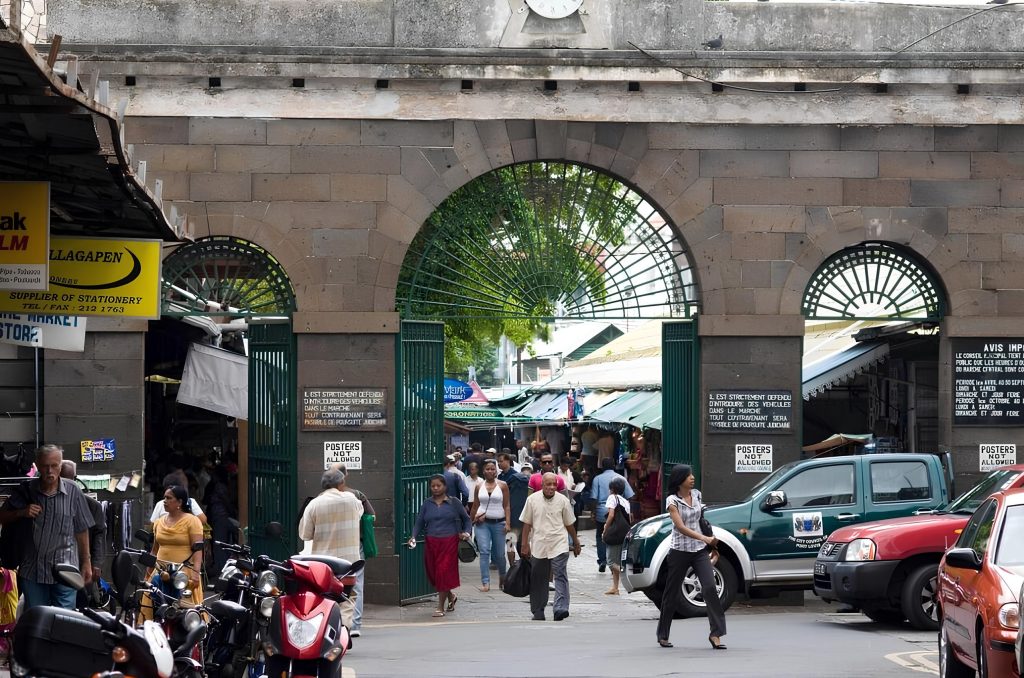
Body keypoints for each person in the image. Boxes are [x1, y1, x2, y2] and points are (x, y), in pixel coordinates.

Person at [0, 444, 94, 609]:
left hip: (65, 571)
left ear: (60, 466)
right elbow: (2, 516)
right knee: (37, 622)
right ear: (38, 465)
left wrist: (86, 562)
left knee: (64, 622)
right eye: (45, 466)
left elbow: (82, 529)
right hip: (32, 571)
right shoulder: (26, 491)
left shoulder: (74, 492)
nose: (50, 471)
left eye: (54, 466)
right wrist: (21, 512)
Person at [656, 464, 726, 650]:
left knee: (710, 587)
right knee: (671, 593)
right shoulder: (672, 501)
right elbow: (680, 527)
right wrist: (704, 538)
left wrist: (712, 544)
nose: (692, 477)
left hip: (699, 550)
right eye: (688, 476)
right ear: (680, 480)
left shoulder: (697, 494)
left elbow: (701, 520)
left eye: (692, 475)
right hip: (679, 551)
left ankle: (716, 633)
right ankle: (663, 634)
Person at [298, 467, 363, 630]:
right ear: (342, 483)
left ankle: (326, 629)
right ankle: (344, 630)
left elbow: (305, 535)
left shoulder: (314, 504)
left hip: (323, 563)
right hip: (349, 562)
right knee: (347, 597)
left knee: (325, 597)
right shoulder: (351, 499)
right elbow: (360, 513)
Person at [519, 472, 580, 621]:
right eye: (548, 484)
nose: (552, 487)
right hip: (539, 544)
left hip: (559, 543)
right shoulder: (532, 500)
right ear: (542, 485)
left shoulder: (563, 501)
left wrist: (575, 542)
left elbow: (569, 524)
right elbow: (526, 524)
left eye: (554, 484)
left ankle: (560, 608)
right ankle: (538, 610)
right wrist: (524, 544)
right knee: (538, 578)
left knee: (559, 574)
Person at [409, 474, 471, 618]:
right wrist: (413, 536)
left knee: (443, 572)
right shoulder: (427, 503)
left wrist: (467, 533)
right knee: (433, 574)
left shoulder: (454, 502)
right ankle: (451, 596)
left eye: (439, 485)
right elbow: (419, 522)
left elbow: (466, 520)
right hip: (431, 541)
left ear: (445, 487)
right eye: (433, 486)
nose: (436, 488)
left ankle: (440, 607)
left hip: (449, 541)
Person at [144, 485, 204, 619]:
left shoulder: (192, 521)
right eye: (164, 497)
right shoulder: (159, 522)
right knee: (154, 607)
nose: (164, 501)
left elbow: (198, 549)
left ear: (180, 502)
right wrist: (148, 572)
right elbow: (154, 550)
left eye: (169, 498)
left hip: (183, 574)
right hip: (160, 571)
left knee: (184, 613)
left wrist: (195, 572)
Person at [330, 463, 375, 638]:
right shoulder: (357, 495)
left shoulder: (321, 498)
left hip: (332, 545)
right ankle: (355, 624)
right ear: (346, 475)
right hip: (355, 544)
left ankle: (335, 621)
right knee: (356, 584)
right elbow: (372, 516)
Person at [60, 460, 107, 607]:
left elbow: (99, 535)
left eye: (71, 479)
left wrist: (96, 564)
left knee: (81, 603)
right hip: (57, 561)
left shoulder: (92, 506)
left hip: (81, 563)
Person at [469, 459, 510, 592]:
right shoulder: (478, 486)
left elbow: (507, 506)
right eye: (488, 469)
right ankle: (485, 582)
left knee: (499, 555)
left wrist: (508, 523)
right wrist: (470, 524)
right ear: (483, 471)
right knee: (484, 551)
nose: (490, 471)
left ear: (496, 470)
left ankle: (502, 578)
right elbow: (475, 505)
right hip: (482, 524)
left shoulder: (503, 485)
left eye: (493, 469)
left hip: (499, 522)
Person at [591, 457, 634, 573]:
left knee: (600, 536)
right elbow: (630, 495)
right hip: (620, 515)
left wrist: (594, 512)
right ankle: (616, 562)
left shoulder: (597, 479)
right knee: (616, 537)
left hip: (602, 512)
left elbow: (594, 498)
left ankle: (603, 561)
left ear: (602, 466)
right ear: (614, 465)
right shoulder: (621, 478)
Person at [498, 454, 530, 564]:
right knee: (525, 543)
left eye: (501, 461)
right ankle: (527, 566)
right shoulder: (523, 482)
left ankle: (512, 567)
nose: (499, 463)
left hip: (511, 518)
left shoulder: (509, 479)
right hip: (525, 518)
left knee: (510, 545)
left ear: (508, 461)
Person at [602, 477, 631, 595]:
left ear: (612, 489)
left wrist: (605, 527)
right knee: (617, 560)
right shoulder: (626, 501)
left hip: (614, 532)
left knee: (610, 561)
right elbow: (629, 518)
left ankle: (627, 575)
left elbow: (611, 515)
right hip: (624, 532)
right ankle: (615, 587)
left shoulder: (612, 497)